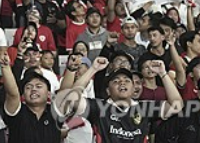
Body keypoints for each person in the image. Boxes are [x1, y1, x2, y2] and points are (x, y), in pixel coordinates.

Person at [54, 57, 183, 143]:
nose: (122, 83)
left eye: (127, 81)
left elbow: (176, 105)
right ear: (108, 91)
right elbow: (71, 99)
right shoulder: (98, 107)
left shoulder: (144, 108)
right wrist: (93, 69)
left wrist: (163, 74)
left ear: (133, 89)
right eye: (116, 81)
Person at [0, 53, 61, 143]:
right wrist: (5, 67)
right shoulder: (18, 112)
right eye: (28, 87)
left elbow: (67, 90)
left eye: (39, 86)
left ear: (48, 94)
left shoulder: (55, 114)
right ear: (23, 95)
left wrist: (72, 70)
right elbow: (12, 94)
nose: (33, 89)